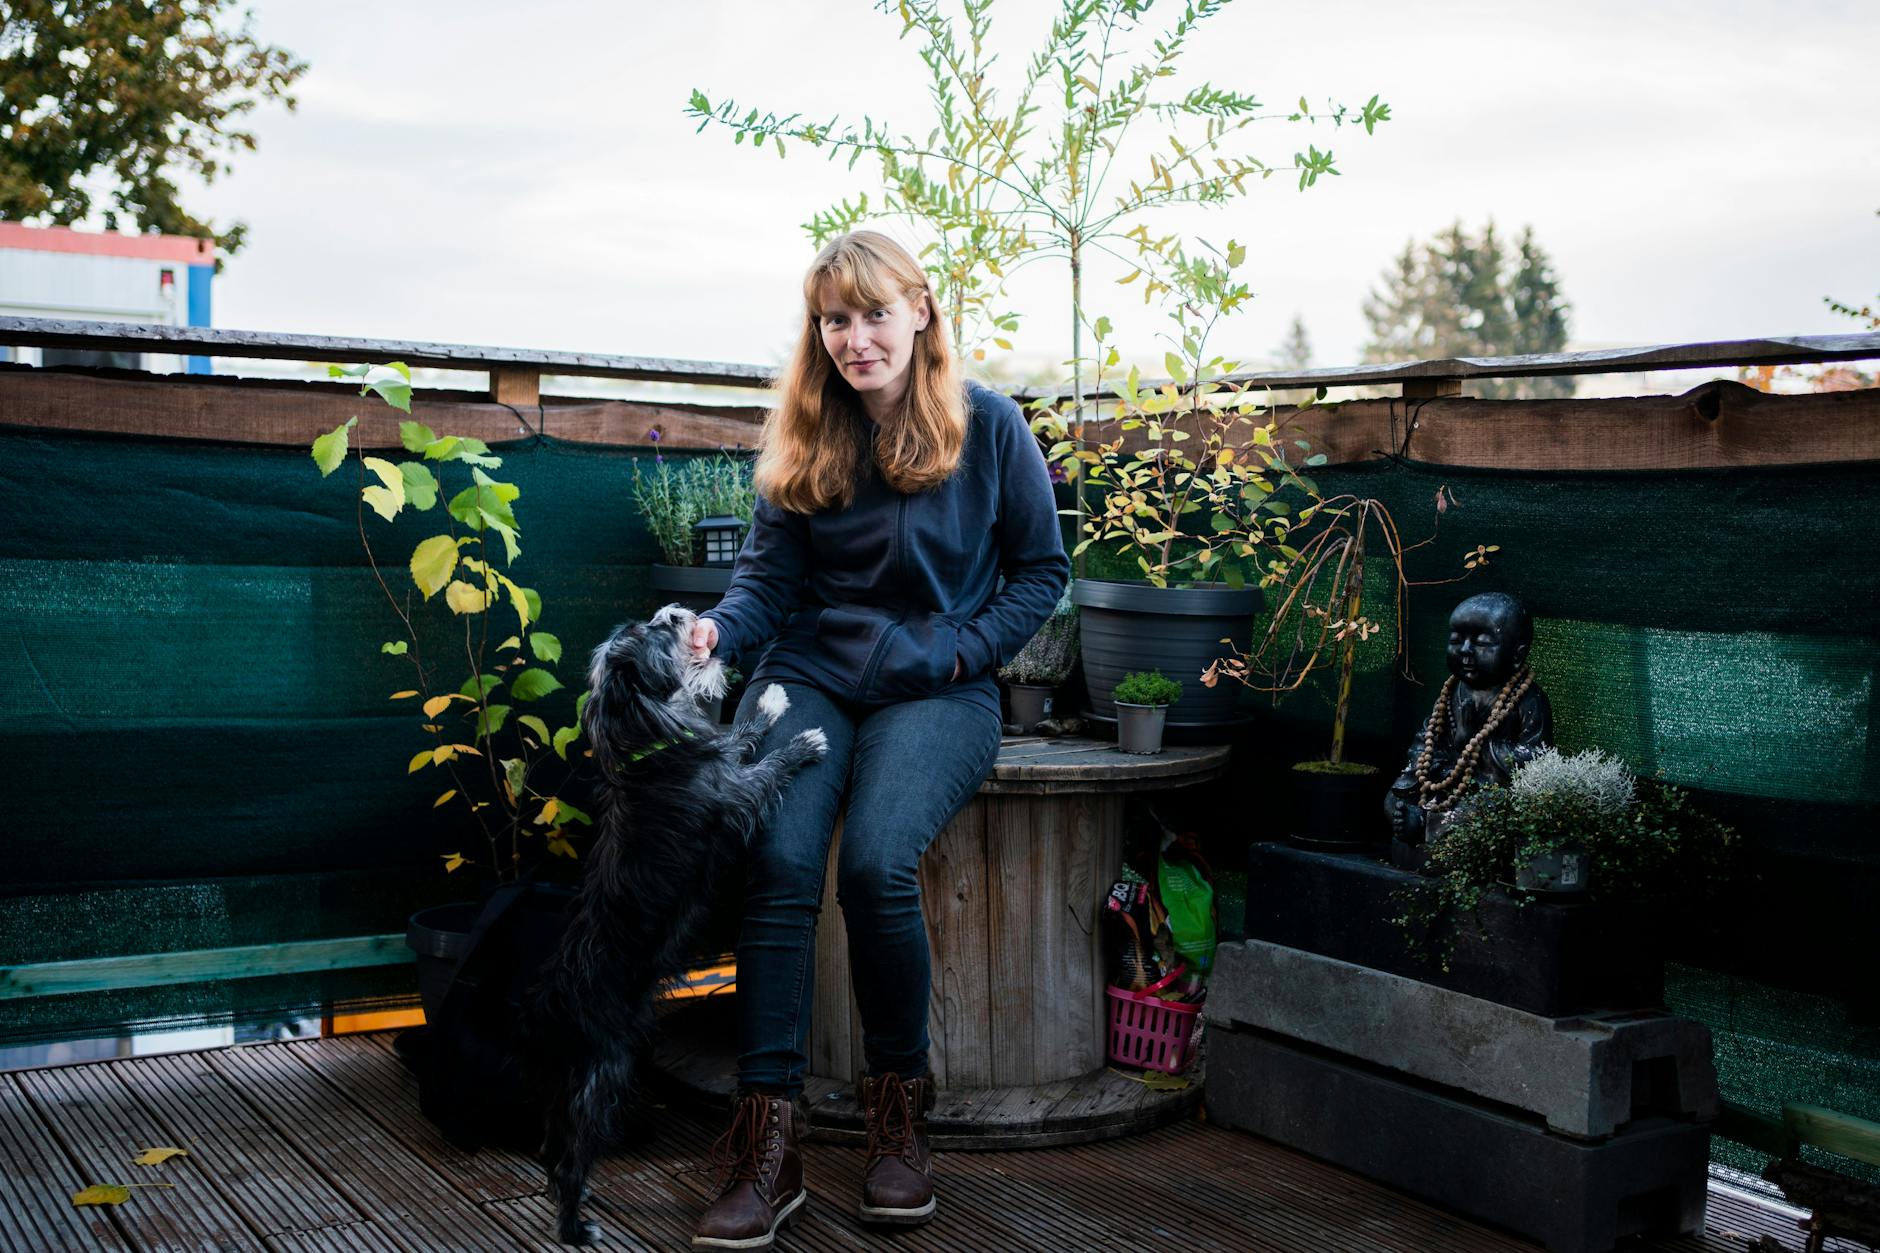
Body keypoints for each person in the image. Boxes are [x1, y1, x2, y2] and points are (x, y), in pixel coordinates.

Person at [686, 231, 1069, 1248]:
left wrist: (959, 653)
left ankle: (898, 1117)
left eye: (872, 314)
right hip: (810, 673)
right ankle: (767, 1140)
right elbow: (766, 583)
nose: (854, 339)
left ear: (920, 311)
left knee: (874, 862)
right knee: (775, 856)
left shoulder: (988, 427)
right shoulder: (809, 427)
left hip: (936, 686)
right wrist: (719, 629)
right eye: (833, 320)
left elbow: (1040, 571)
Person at [1384, 591, 1553, 847]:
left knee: (1488, 812)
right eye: (1456, 639)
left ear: (1517, 654)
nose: (1465, 650)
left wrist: (1474, 743)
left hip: (1489, 789)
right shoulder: (1451, 691)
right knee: (1393, 798)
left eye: (1482, 643)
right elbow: (1424, 742)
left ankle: (1425, 825)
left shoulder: (1528, 698)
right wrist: (1430, 766)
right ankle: (1420, 820)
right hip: (1446, 781)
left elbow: (1535, 758)